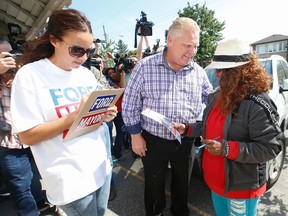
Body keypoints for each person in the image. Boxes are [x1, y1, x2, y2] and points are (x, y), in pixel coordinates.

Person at [10, 9, 117, 216]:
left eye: (89, 51)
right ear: (54, 40)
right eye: (77, 50)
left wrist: (104, 114)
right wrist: (72, 118)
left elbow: (90, 116)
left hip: (100, 167)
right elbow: (27, 135)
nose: (84, 57)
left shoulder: (85, 74)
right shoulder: (30, 75)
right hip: (70, 179)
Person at [174, 38, 283, 216]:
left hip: (240, 189)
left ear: (238, 72)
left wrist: (226, 148)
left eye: (220, 70)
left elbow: (271, 147)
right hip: (216, 184)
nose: (216, 74)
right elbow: (208, 127)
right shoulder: (217, 95)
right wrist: (187, 129)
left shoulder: (257, 103)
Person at [122, 17, 212, 216]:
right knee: (154, 185)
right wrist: (136, 135)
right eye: (187, 45)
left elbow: (209, 101)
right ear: (170, 40)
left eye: (195, 46)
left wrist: (198, 123)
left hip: (186, 140)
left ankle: (180, 212)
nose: (192, 51)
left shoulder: (198, 72)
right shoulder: (145, 67)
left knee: (183, 184)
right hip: (153, 140)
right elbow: (130, 103)